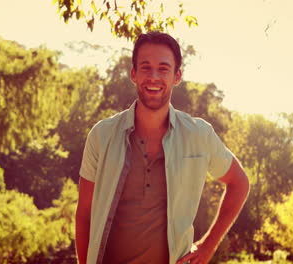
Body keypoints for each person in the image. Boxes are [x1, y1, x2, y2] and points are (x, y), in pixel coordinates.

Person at [75, 31, 249, 264]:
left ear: (177, 76)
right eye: (145, 67)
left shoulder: (199, 134)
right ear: (133, 74)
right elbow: (84, 215)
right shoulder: (102, 135)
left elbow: (239, 182)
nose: (154, 76)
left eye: (163, 68)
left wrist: (207, 246)